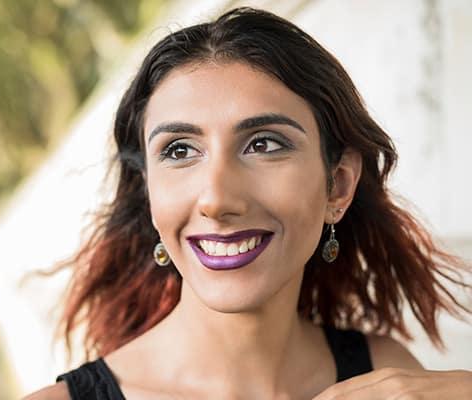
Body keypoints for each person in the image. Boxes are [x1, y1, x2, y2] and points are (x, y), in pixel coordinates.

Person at [24, 7, 472, 399]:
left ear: (337, 186)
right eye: (179, 150)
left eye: (264, 144)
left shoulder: (388, 375)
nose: (217, 199)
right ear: (148, 193)